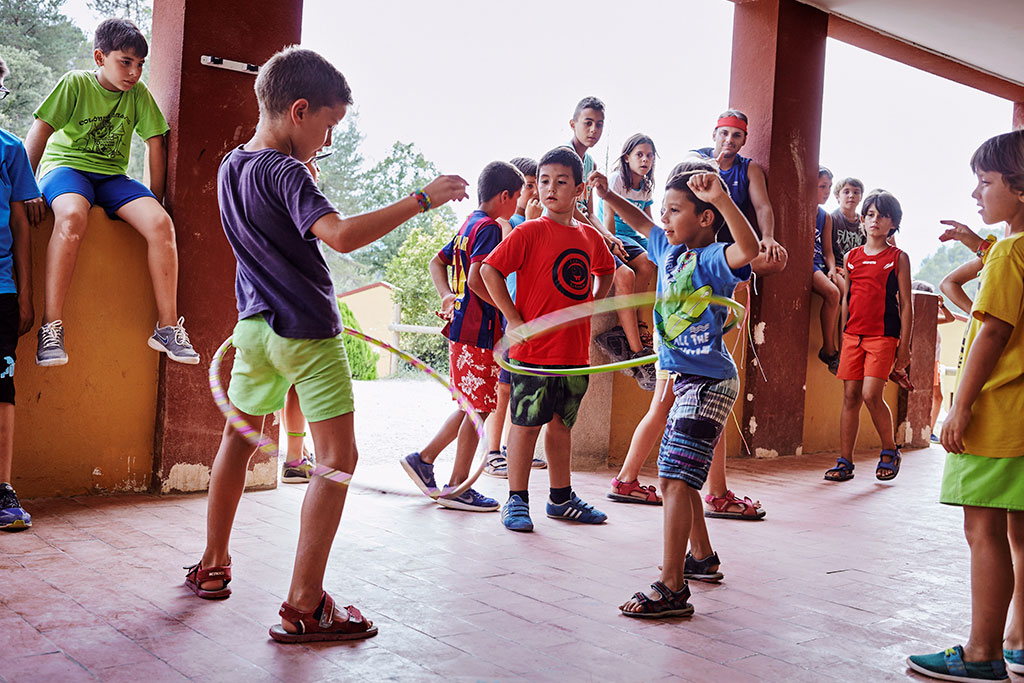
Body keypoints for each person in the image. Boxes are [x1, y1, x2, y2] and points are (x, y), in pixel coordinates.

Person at [185, 47, 468, 643]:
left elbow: (270, 234)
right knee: (337, 460)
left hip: (253, 329)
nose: (328, 140)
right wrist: (423, 199)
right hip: (307, 332)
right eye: (328, 126)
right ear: (298, 110)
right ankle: (305, 603)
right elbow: (337, 236)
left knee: (238, 441)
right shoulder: (287, 172)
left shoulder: (233, 165)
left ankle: (213, 565)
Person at [590, 162, 759, 617]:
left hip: (708, 382)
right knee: (681, 476)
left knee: (672, 478)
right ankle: (700, 558)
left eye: (675, 210)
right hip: (684, 380)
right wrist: (607, 196)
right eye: (663, 209)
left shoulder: (714, 260)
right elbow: (640, 221)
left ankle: (671, 586)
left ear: (704, 218)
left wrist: (723, 198)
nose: (664, 218)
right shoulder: (665, 244)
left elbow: (750, 248)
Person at [907, 129, 1024, 683]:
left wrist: (959, 408)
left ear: (1019, 190)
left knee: (984, 530)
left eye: (985, 183)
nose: (977, 194)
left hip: (999, 415)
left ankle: (982, 654)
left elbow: (992, 334)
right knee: (1021, 531)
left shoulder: (1009, 253)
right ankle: (1019, 641)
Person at [22, 18, 198, 367]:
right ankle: (51, 326)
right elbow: (39, 132)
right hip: (66, 169)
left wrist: (155, 201)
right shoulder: (75, 83)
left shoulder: (138, 95)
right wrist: (26, 187)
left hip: (112, 178)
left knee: (161, 224)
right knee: (72, 216)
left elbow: (155, 143)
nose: (134, 72)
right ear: (100, 57)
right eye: (126, 62)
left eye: (140, 65)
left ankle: (166, 327)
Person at [481, 146, 615, 532]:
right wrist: (513, 318)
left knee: (561, 424)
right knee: (525, 425)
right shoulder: (529, 231)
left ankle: (560, 498)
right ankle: (517, 501)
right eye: (544, 181)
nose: (551, 189)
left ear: (578, 191)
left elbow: (606, 269)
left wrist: (592, 302)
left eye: (561, 182)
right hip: (533, 352)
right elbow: (491, 271)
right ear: (536, 188)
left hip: (573, 353)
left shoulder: (590, 237)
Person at [401, 161, 524, 512]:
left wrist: (445, 295)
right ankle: (454, 483)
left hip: (462, 330)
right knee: (478, 408)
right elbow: (476, 280)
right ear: (504, 197)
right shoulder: (488, 228)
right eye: (516, 197)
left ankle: (427, 462)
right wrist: (509, 313)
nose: (516, 205)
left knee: (474, 406)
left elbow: (436, 263)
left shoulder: (468, 224)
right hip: (477, 332)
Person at [824, 191, 912, 483]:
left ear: (893, 223)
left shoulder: (898, 258)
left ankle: (889, 449)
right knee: (850, 396)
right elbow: (846, 300)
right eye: (870, 214)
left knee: (871, 394)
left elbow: (907, 304)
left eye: (883, 216)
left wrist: (905, 348)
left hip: (883, 337)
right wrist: (840, 338)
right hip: (853, 336)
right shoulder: (851, 257)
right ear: (862, 220)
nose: (875, 220)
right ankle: (845, 461)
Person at [484, 156, 546, 478]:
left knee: (518, 386)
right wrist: (525, 220)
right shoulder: (509, 225)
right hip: (511, 317)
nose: (535, 193)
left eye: (539, 186)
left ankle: (510, 449)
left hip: (527, 317)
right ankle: (493, 452)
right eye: (530, 187)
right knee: (503, 389)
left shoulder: (532, 224)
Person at [0, 56, 39, 531]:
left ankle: (3, 488)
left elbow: (21, 228)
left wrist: (26, 294)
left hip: (3, 291)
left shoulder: (11, 150)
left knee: (2, 387)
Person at [691, 109, 787, 276]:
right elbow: (687, 168)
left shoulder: (749, 168)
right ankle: (717, 274)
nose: (729, 139)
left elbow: (762, 207)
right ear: (714, 135)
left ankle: (717, 274)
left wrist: (768, 236)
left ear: (744, 140)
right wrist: (711, 168)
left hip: (728, 249)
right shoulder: (696, 158)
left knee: (777, 258)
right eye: (724, 133)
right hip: (696, 243)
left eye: (736, 135)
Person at [813, 167, 841, 374]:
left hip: (822, 265)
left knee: (848, 290)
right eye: (823, 186)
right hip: (808, 266)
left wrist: (831, 268)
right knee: (832, 293)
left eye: (829, 187)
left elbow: (828, 250)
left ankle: (847, 346)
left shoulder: (825, 217)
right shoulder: (800, 211)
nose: (827, 191)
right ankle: (828, 349)